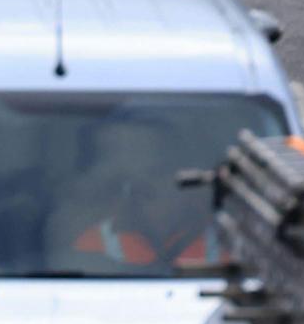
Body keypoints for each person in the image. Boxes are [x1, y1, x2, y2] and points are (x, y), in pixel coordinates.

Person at [63, 116, 213, 271]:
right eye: (126, 179)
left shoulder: (229, 241)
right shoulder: (93, 245)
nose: (142, 186)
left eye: (156, 172)